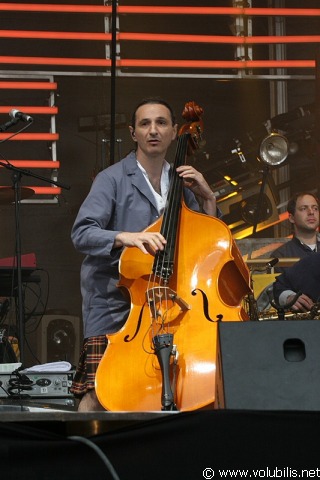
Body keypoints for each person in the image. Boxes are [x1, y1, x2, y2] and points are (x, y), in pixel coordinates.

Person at [70, 97, 221, 411]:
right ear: (133, 133)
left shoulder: (181, 183)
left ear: (173, 132)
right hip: (116, 302)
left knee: (183, 392)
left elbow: (205, 243)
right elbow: (81, 234)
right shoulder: (111, 179)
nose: (153, 130)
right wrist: (126, 237)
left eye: (162, 123)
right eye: (145, 124)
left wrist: (208, 198)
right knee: (100, 395)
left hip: (169, 301)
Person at [271, 191, 320, 274]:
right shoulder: (280, 256)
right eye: (304, 208)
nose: (311, 212)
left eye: (315, 208)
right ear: (291, 218)